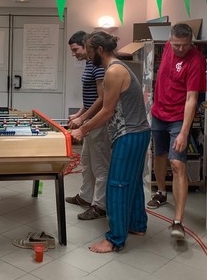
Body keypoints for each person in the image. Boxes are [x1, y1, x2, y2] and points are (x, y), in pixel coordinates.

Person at [71, 31, 151, 253]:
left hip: (130, 135)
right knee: (133, 184)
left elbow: (107, 111)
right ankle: (137, 225)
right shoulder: (115, 68)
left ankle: (115, 239)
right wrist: (84, 120)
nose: (87, 55)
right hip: (138, 133)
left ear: (99, 50)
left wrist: (83, 129)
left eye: (88, 50)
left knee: (116, 185)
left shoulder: (114, 71)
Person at [147, 23, 206, 240]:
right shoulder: (168, 49)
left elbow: (191, 99)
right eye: (175, 44)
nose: (179, 49)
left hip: (178, 118)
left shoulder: (196, 61)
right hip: (158, 113)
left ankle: (178, 221)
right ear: (170, 41)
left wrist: (183, 132)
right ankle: (161, 192)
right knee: (159, 155)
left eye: (184, 45)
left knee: (178, 163)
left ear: (191, 42)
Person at [66, 31, 110, 220]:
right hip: (89, 120)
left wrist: (83, 119)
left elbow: (102, 99)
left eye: (76, 50)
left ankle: (100, 206)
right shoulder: (88, 64)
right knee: (87, 162)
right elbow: (90, 96)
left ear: (86, 46)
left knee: (100, 167)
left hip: (98, 122)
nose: (74, 54)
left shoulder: (98, 66)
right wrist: (79, 114)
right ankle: (85, 197)